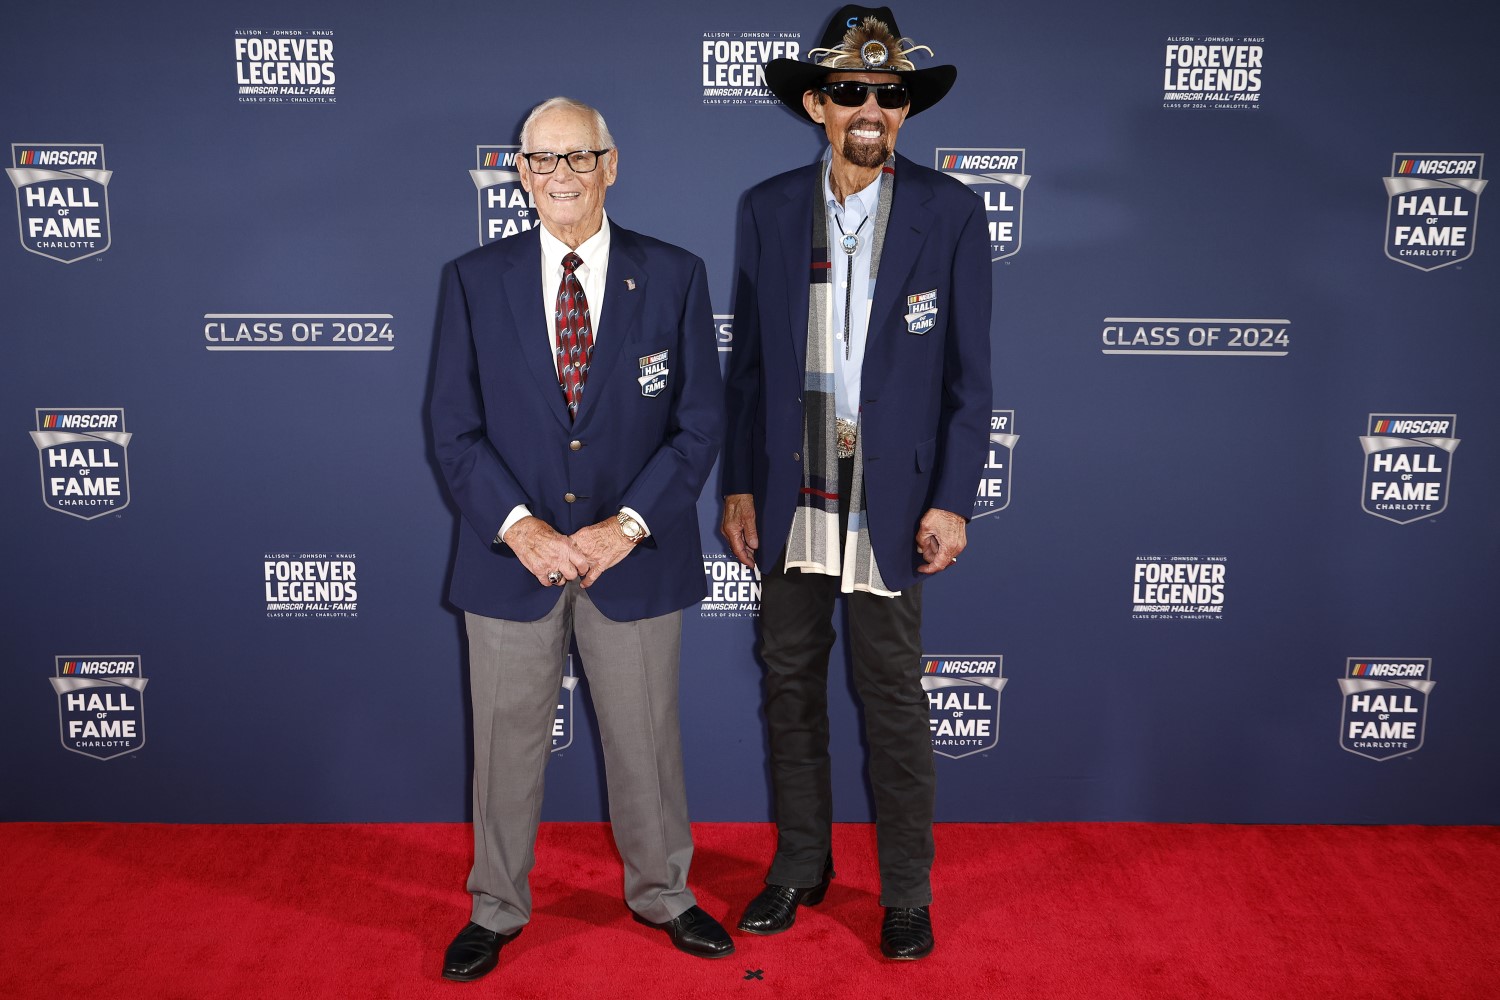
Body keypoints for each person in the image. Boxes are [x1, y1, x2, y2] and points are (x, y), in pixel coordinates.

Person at [430, 96, 731, 981]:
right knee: (503, 742)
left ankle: (666, 894)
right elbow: (453, 427)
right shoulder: (471, 280)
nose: (561, 176)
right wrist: (521, 529)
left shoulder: (674, 274)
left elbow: (700, 423)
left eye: (579, 157)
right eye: (543, 160)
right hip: (509, 559)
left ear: (611, 163)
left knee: (646, 741)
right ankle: (496, 907)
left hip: (632, 557)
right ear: (520, 173)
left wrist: (625, 527)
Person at [721, 6, 992, 961]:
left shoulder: (952, 211)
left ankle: (907, 891)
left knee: (890, 692)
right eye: (850, 93)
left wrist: (953, 496)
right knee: (789, 680)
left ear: (906, 110)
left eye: (889, 94)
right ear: (815, 104)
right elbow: (747, 365)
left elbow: (970, 376)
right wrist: (739, 487)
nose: (870, 108)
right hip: (792, 483)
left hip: (892, 495)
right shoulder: (764, 209)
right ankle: (800, 865)